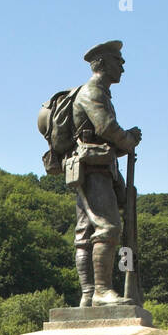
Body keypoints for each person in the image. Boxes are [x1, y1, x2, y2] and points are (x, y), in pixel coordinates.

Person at [69, 40, 142, 307]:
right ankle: (99, 291)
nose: (122, 66)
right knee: (107, 228)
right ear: (101, 63)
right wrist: (128, 139)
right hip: (94, 171)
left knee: (86, 234)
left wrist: (123, 143)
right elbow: (106, 128)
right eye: (117, 60)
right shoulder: (92, 91)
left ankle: (88, 295)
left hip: (97, 168)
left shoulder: (101, 93)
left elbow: (104, 136)